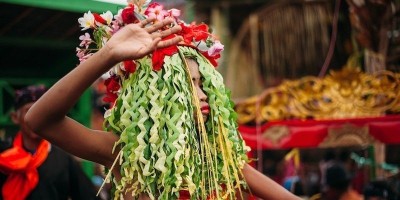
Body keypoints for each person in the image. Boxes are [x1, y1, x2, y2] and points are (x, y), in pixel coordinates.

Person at [25, 1, 301, 200]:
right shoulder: (126, 153)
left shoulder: (220, 158)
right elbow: (40, 120)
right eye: (189, 85)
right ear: (158, 98)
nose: (203, 94)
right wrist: (108, 55)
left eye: (204, 84)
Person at [0, 85, 98, 200]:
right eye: (29, 111)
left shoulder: (62, 159)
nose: (36, 119)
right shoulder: (3, 154)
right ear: (15, 117)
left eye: (41, 112)